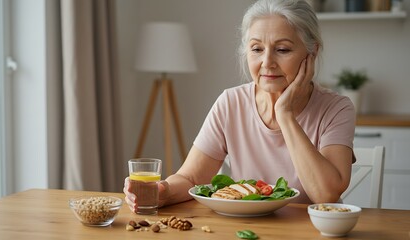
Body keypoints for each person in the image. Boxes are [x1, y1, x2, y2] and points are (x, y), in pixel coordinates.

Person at [124, 0, 355, 211]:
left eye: (282, 50)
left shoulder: (337, 108)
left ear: (312, 53)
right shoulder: (231, 103)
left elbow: (326, 196)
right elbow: (191, 179)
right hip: (245, 231)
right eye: (256, 49)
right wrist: (161, 192)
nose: (267, 62)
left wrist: (284, 114)